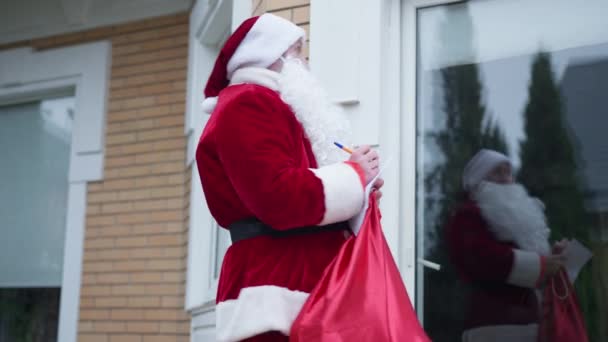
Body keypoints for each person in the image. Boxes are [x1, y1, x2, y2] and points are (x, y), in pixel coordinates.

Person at [195, 14, 383, 342]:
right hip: (275, 282)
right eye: (297, 51)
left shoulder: (268, 106)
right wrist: (353, 176)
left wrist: (359, 188)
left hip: (288, 279)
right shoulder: (248, 102)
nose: (304, 61)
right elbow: (276, 196)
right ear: (269, 55)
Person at [446, 149, 566, 342]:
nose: (504, 178)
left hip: (532, 324)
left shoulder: (517, 217)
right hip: (494, 326)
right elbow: (481, 258)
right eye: (497, 172)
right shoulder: (467, 215)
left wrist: (554, 258)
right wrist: (541, 265)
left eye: (507, 172)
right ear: (480, 178)